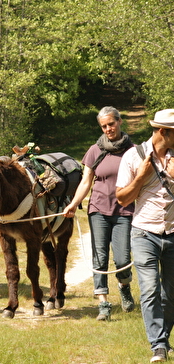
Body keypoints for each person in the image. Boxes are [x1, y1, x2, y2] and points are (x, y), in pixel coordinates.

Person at [64, 106, 135, 321]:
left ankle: (124, 286)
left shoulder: (133, 150)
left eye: (111, 124)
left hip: (125, 210)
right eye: (104, 126)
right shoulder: (95, 150)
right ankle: (103, 302)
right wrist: (74, 204)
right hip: (99, 209)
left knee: (122, 258)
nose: (108, 129)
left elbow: (142, 181)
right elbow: (86, 181)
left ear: (119, 122)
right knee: (99, 257)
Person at [116, 109, 174, 363]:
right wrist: (140, 177)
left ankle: (164, 337)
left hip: (173, 233)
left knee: (170, 294)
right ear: (163, 132)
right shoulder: (133, 156)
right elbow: (122, 198)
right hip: (144, 233)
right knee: (149, 289)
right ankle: (158, 345)